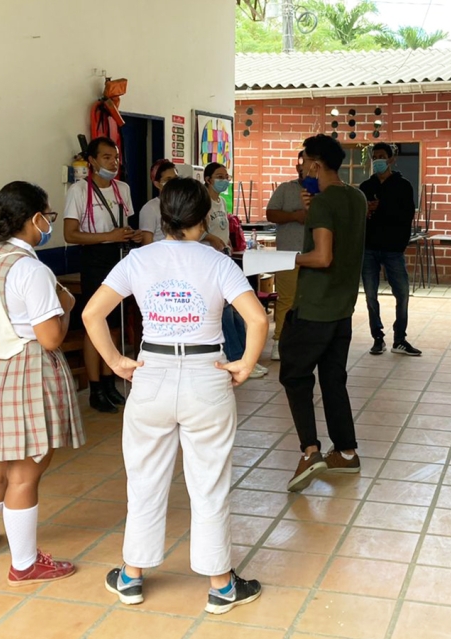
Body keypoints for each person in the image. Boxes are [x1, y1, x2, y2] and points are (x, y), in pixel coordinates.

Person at [83, 177, 266, 614]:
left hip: (151, 374)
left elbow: (92, 313)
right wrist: (243, 365)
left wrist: (114, 362)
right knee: (210, 482)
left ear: (163, 215)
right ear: (203, 217)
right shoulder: (218, 261)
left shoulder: (138, 259)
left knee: (144, 479)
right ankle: (221, 585)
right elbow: (257, 320)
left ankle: (131, 576)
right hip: (207, 375)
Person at [0, 181, 84, 585]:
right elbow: (50, 338)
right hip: (27, 370)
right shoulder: (32, 269)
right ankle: (25, 563)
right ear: (34, 218)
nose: (47, 223)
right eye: (47, 216)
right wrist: (65, 308)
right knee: (26, 473)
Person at [282, 135, 367, 493]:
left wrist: (288, 258)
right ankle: (346, 453)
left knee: (294, 376)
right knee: (333, 378)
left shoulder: (322, 204)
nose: (301, 168)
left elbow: (322, 257)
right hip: (342, 307)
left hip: (314, 307)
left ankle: (310, 450)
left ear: (316, 165)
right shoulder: (357, 197)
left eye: (303, 162)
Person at [63, 137, 147, 413]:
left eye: (116, 157)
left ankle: (111, 380)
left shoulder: (122, 188)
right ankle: (96, 387)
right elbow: (70, 234)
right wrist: (106, 237)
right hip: (94, 259)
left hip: (120, 256)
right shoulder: (78, 190)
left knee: (115, 324)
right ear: (92, 161)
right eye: (107, 158)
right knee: (95, 323)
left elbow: (126, 223)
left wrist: (129, 235)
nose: (113, 163)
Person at [203, 163, 268, 379]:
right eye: (219, 176)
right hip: (209, 260)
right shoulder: (202, 201)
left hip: (225, 258)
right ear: (207, 179)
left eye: (226, 176)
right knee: (226, 311)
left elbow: (223, 229)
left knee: (233, 310)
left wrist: (228, 243)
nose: (224, 180)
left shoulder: (221, 201)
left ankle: (246, 356)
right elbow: (201, 230)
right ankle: (237, 357)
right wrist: (213, 240)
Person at [359, 142, 420, 356]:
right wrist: (365, 211)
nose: (378, 160)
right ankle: (378, 338)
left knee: (402, 293)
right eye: (374, 156)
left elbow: (406, 215)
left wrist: (381, 207)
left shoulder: (403, 185)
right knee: (370, 295)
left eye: (382, 156)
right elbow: (357, 216)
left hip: (393, 249)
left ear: (392, 159)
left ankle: (400, 338)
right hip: (369, 249)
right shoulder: (365, 187)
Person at [265, 152, 307, 361]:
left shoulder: (326, 191)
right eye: (301, 163)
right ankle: (279, 342)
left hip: (316, 255)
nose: (303, 168)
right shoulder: (285, 189)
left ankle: (305, 342)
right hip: (287, 255)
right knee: (286, 300)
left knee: (309, 301)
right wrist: (294, 216)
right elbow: (271, 214)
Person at [137, 159, 175, 243]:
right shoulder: (150, 208)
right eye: (168, 179)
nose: (174, 183)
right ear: (157, 184)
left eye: (175, 178)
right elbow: (146, 245)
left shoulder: (183, 205)